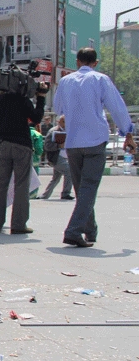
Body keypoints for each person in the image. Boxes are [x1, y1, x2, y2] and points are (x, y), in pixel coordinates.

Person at [54, 47, 135, 247]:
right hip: (95, 140)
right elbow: (117, 107)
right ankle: (74, 230)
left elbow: (58, 108)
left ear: (78, 61)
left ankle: (91, 230)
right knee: (88, 188)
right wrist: (128, 133)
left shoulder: (65, 81)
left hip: (73, 143)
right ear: (95, 63)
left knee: (82, 189)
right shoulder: (100, 79)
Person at [0, 75, 47, 234]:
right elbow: (36, 117)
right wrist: (41, 98)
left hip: (2, 146)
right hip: (22, 145)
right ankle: (18, 225)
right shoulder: (22, 100)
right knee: (21, 186)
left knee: (0, 185)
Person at [40, 115, 73, 200]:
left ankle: (45, 195)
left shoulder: (68, 131)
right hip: (56, 157)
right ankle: (65, 193)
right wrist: (58, 145)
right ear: (60, 122)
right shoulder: (53, 131)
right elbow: (47, 146)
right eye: (64, 122)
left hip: (64, 157)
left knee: (56, 178)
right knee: (69, 172)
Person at [29, 123, 44, 199]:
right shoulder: (37, 134)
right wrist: (38, 155)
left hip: (23, 158)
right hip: (34, 159)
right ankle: (32, 195)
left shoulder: (23, 132)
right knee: (34, 178)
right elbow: (39, 148)